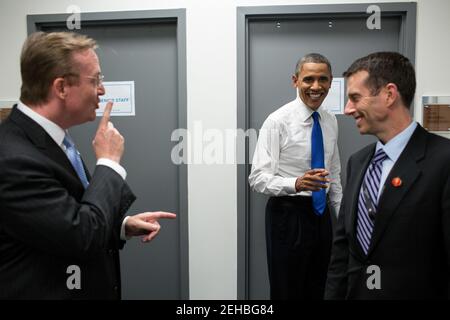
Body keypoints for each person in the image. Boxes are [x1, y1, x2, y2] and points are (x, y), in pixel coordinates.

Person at [0, 32, 176, 299]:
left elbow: (65, 217)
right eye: (95, 80)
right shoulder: (12, 158)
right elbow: (81, 236)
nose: (102, 90)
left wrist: (120, 226)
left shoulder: (55, 139)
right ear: (60, 88)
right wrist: (109, 162)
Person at [325, 52, 450, 299]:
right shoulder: (358, 162)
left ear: (389, 95)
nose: (348, 109)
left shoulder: (443, 161)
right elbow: (342, 252)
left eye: (354, 98)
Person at [249, 53, 343, 299]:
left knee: (320, 287)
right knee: (287, 290)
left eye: (322, 79)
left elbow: (334, 173)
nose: (316, 86)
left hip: (322, 218)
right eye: (308, 79)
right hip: (287, 216)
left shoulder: (331, 120)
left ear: (330, 82)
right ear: (295, 81)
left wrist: (342, 216)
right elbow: (257, 177)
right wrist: (296, 183)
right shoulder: (277, 121)